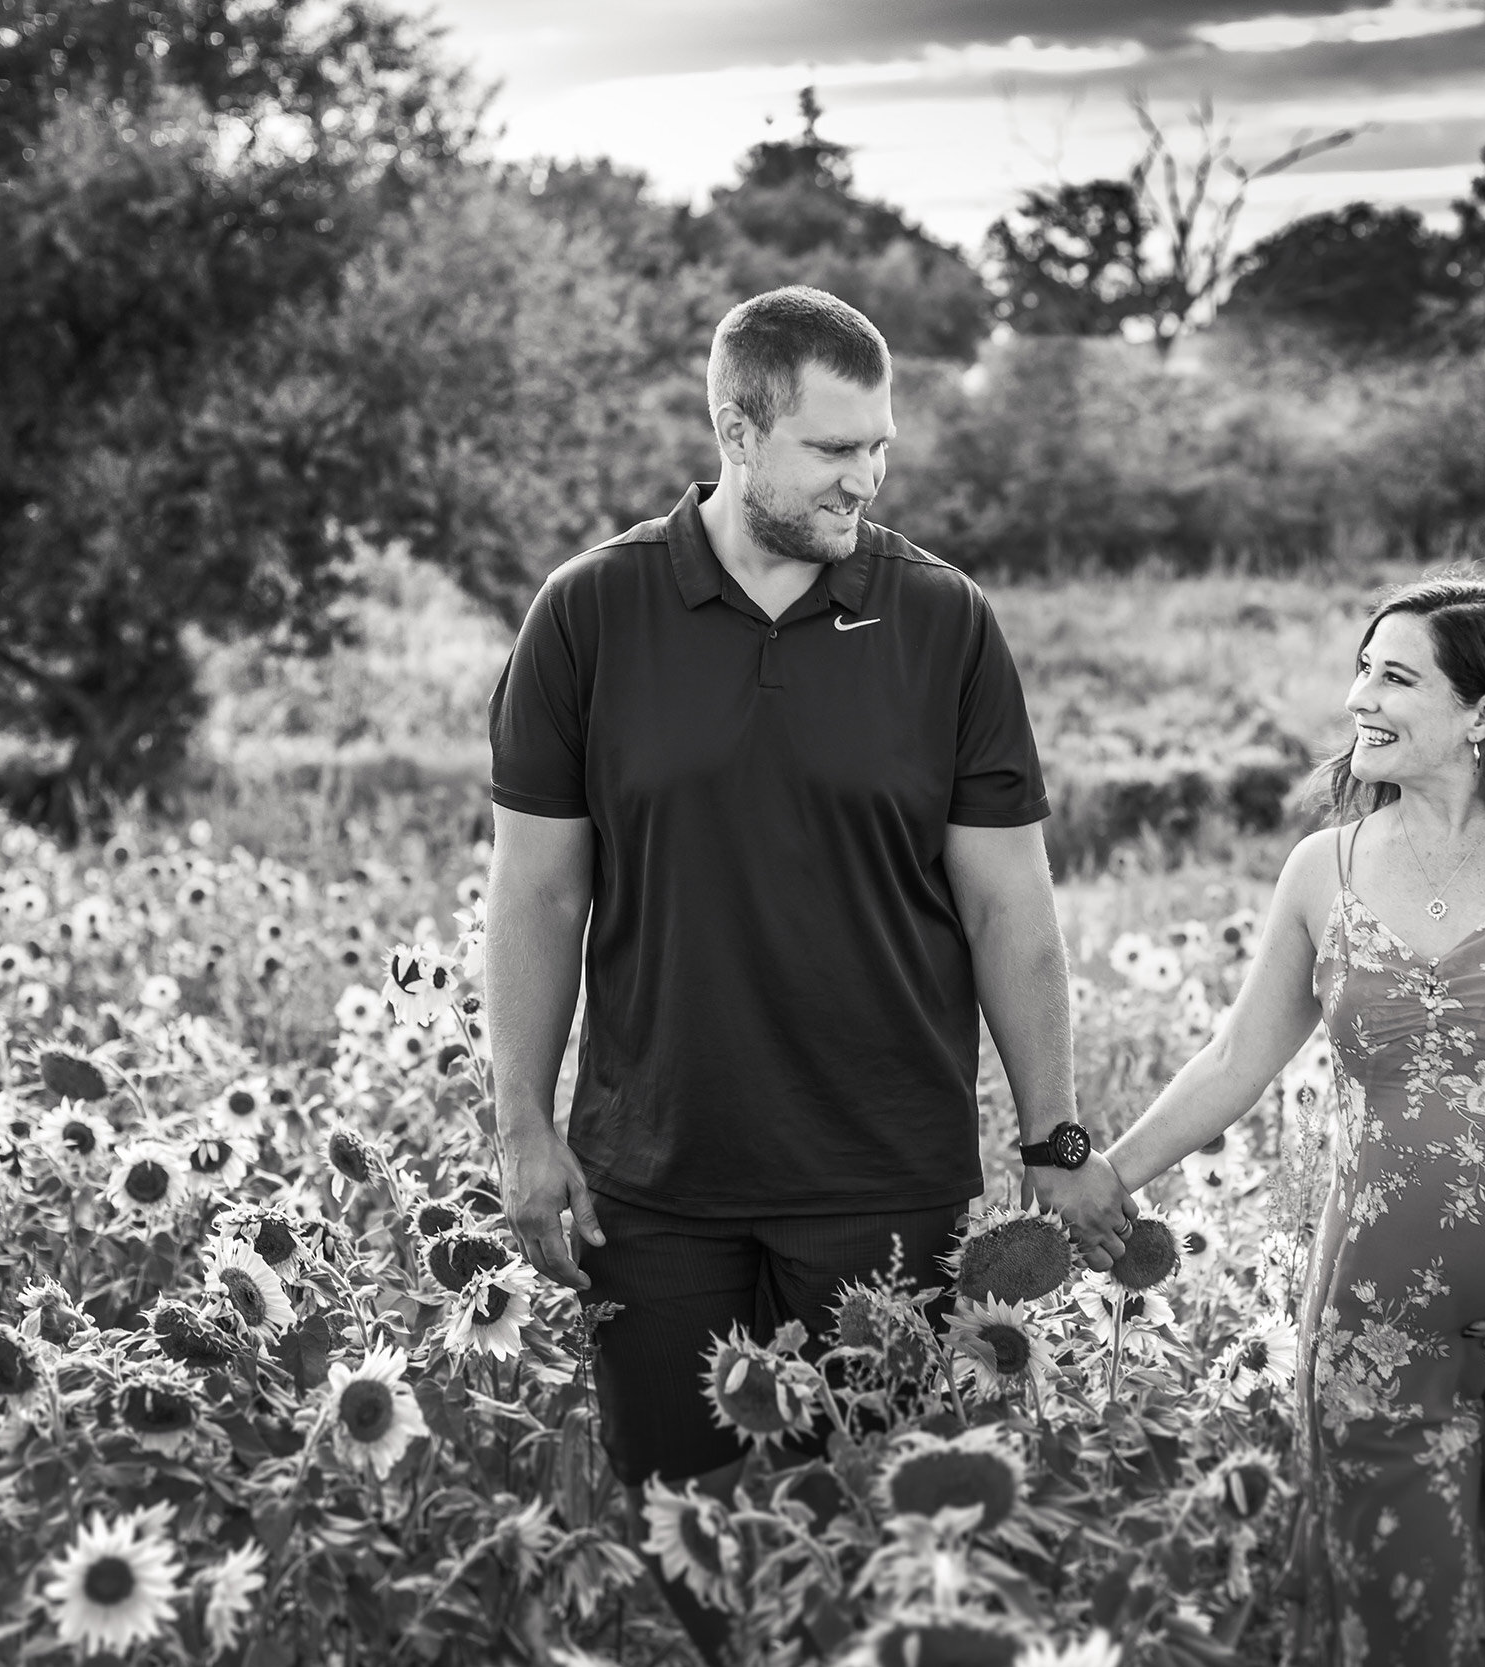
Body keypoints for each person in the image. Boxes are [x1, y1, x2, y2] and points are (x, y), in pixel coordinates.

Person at [482, 286, 1135, 1661]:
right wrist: (524, 1124)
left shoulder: (942, 620)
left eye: (880, 445)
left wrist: (1055, 1133)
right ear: (738, 429)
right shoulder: (589, 615)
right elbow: (538, 890)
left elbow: (1010, 903)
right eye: (835, 448)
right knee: (693, 1557)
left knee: (879, 1564)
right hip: (654, 1186)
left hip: (884, 1178)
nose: (869, 476)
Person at [1102, 576, 1485, 1665]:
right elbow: (1237, 1058)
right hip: (1376, 1326)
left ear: (1482, 713)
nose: (1357, 699)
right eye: (1360, 669)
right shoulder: (1320, 870)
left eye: (1394, 676)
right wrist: (1104, 1177)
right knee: (1394, 1618)